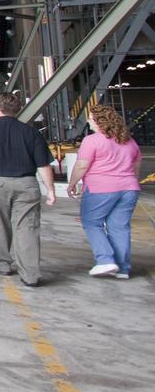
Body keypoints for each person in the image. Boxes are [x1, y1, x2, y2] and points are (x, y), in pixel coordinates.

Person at [0, 91, 56, 287]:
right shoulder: (31, 132)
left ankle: (0, 263)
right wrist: (50, 190)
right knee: (28, 228)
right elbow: (43, 165)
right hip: (26, 184)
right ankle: (31, 274)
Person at [66, 105, 140, 279]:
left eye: (91, 118)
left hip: (101, 188)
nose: (89, 121)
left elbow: (82, 165)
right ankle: (122, 268)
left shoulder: (92, 140)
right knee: (120, 227)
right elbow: (136, 168)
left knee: (92, 223)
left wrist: (72, 183)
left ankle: (105, 260)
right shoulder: (129, 141)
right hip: (129, 188)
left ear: (99, 121)